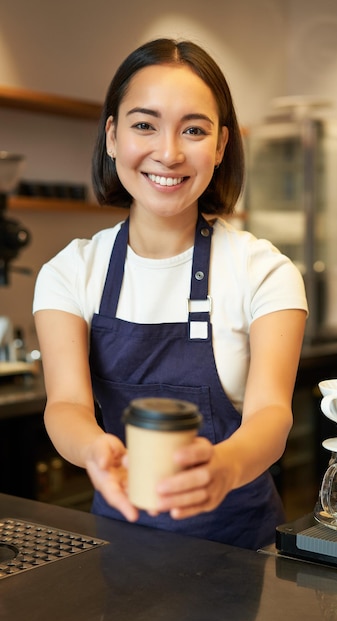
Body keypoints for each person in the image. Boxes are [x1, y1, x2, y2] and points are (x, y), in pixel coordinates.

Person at [33, 38, 308, 550]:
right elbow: (66, 404)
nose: (169, 152)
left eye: (194, 130)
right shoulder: (70, 271)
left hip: (244, 554)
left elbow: (272, 415)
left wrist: (223, 467)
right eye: (144, 124)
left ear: (221, 146)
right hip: (113, 548)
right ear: (112, 136)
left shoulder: (264, 271)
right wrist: (95, 450)